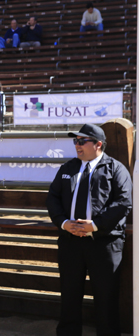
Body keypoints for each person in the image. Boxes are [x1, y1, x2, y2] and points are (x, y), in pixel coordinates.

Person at [47, 124, 131, 336]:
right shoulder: (68, 168)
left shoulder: (116, 169)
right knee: (69, 294)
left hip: (104, 243)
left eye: (82, 141)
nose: (77, 145)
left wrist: (95, 225)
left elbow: (123, 202)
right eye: (75, 141)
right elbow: (53, 197)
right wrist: (64, 223)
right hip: (71, 242)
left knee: (106, 297)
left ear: (98, 144)